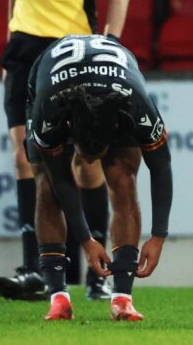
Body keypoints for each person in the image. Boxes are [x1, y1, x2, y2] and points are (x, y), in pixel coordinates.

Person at [0, 0, 135, 301]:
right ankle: (36, 270)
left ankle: (96, 273)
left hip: (70, 53)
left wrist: (107, 48)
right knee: (25, 158)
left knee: (85, 164)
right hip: (22, 52)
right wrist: (8, 52)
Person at [26, 34, 173, 321]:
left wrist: (158, 237)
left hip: (117, 88)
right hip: (52, 74)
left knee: (123, 178)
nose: (91, 162)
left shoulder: (137, 106)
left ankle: (122, 299)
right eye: (86, 153)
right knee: (46, 184)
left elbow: (161, 167)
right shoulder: (50, 108)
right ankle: (58, 298)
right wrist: (85, 239)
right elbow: (61, 180)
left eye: (98, 153)